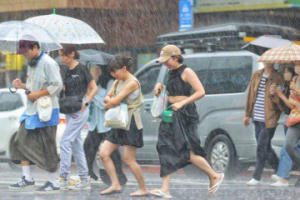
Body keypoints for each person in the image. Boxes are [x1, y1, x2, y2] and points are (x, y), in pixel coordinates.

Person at [150, 45, 224, 198]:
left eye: (167, 60)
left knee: (186, 150)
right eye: (163, 61)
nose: (165, 64)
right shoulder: (170, 72)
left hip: (184, 113)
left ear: (176, 57)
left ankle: (214, 175)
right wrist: (160, 87)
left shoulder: (187, 71)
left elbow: (201, 91)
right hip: (170, 112)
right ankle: (165, 189)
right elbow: (173, 90)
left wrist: (182, 103)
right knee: (165, 146)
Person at [9, 38, 63, 194]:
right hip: (31, 111)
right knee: (20, 141)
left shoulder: (49, 63)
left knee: (48, 145)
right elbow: (33, 86)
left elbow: (57, 85)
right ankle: (27, 178)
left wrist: (38, 94)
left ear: (35, 48)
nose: (24, 55)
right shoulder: (31, 63)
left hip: (47, 110)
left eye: (26, 52)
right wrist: (22, 86)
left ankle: (53, 182)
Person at [99, 55, 149, 196]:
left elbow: (114, 101)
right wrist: (111, 102)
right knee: (103, 153)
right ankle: (115, 184)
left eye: (115, 71)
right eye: (111, 73)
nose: (113, 75)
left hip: (131, 123)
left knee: (128, 159)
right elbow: (107, 98)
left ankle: (143, 188)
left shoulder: (132, 82)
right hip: (118, 122)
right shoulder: (117, 81)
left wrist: (111, 103)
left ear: (124, 68)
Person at [58, 45, 98, 190]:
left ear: (72, 54)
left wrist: (86, 103)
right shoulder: (65, 71)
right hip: (69, 109)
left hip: (80, 109)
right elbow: (63, 90)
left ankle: (63, 177)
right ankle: (84, 178)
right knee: (76, 145)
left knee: (65, 141)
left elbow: (94, 88)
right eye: (60, 55)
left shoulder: (82, 69)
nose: (61, 58)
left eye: (63, 55)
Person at [83, 65, 127, 185]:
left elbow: (106, 105)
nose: (95, 71)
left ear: (102, 70)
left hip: (107, 124)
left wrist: (93, 96)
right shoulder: (95, 85)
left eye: (97, 69)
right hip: (96, 125)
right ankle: (89, 172)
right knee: (88, 147)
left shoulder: (110, 83)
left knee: (111, 152)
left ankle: (119, 175)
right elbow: (89, 104)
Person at [244, 62, 284, 186]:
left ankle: (256, 177)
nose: (267, 62)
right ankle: (279, 170)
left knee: (261, 147)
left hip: (270, 118)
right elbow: (251, 95)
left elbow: (281, 102)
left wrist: (274, 94)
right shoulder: (256, 75)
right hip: (257, 117)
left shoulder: (278, 77)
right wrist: (247, 114)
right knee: (266, 147)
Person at [270, 66, 297, 186]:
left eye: (287, 72)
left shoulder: (293, 85)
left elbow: (292, 104)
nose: (285, 74)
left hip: (294, 118)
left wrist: (282, 95)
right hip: (290, 119)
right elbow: (283, 105)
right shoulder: (288, 84)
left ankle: (283, 176)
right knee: (288, 147)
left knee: (287, 149)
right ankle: (283, 176)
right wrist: (274, 94)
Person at [285, 61, 300, 187]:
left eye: (299, 64)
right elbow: (291, 102)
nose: (297, 67)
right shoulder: (295, 79)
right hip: (296, 118)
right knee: (289, 145)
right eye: (295, 64)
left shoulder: (294, 84)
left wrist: (296, 89)